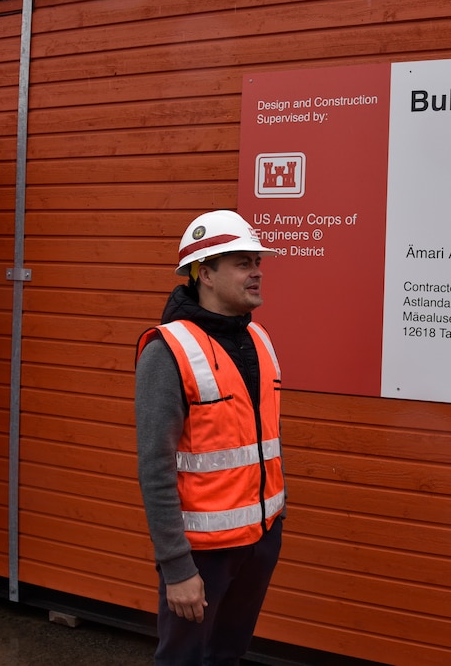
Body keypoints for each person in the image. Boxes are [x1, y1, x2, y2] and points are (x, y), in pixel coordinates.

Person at [134, 209, 285, 665]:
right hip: (201, 555)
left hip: (260, 539)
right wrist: (177, 567)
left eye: (257, 261)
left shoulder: (258, 338)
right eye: (242, 262)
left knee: (226, 655)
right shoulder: (168, 351)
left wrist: (273, 526)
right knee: (183, 659)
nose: (257, 271)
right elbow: (155, 467)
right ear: (204, 273)